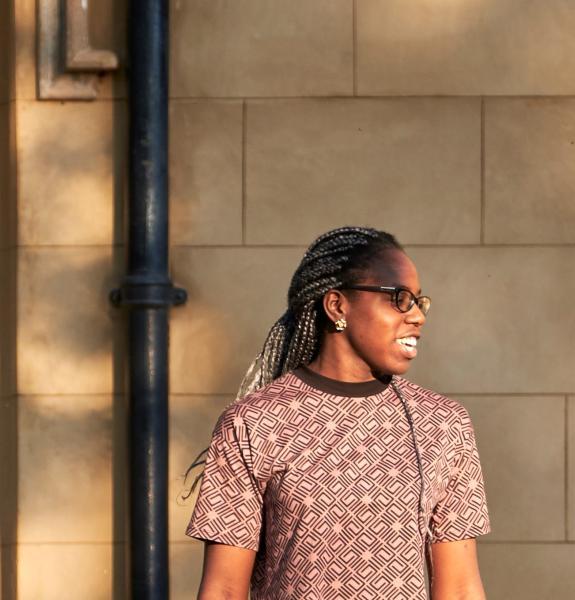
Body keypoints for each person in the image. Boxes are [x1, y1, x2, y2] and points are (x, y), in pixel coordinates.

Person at [186, 226, 491, 599]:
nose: (417, 316)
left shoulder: (443, 424)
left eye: (418, 301)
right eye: (399, 298)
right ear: (337, 306)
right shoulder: (253, 423)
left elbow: (460, 588)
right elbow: (224, 589)